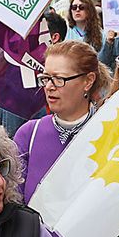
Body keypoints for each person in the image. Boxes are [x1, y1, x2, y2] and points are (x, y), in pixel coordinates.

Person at [13, 40, 110, 200]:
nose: (49, 86)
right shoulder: (29, 134)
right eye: (46, 78)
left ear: (88, 81)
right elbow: (14, 201)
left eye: (59, 79)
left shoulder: (110, 132)